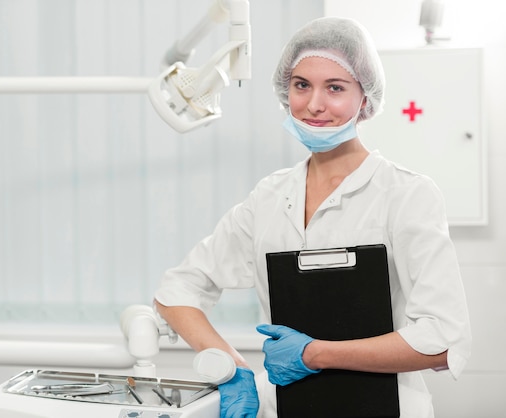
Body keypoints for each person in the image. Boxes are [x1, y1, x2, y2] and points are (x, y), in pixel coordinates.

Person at [154, 16, 471, 418]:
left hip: (389, 407)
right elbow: (176, 291)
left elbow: (443, 340)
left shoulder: (406, 195)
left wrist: (314, 354)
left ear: (365, 100)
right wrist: (233, 369)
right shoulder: (268, 199)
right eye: (302, 85)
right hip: (286, 407)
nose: (314, 104)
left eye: (335, 88)